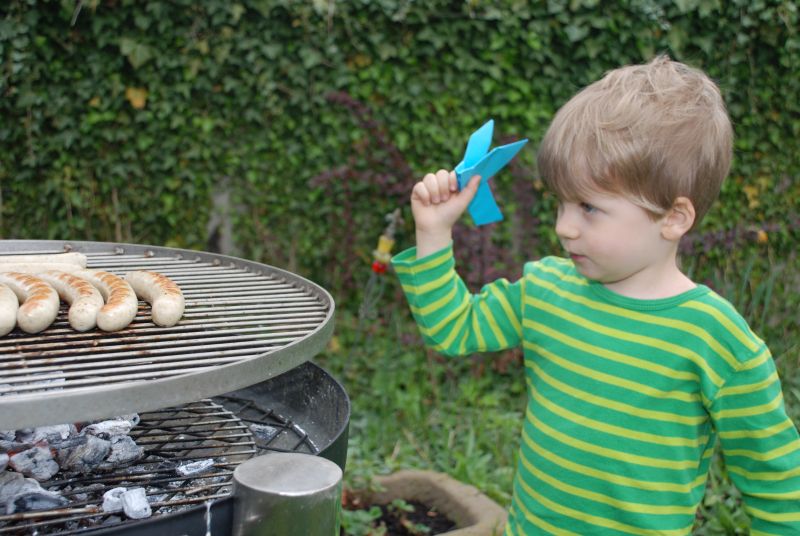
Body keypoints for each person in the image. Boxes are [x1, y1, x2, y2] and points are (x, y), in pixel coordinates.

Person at [391, 56, 800, 535]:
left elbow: (775, 484)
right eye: (561, 203)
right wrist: (434, 233)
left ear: (673, 217)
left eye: (589, 207)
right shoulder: (546, 290)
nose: (564, 226)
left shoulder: (715, 340)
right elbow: (452, 329)